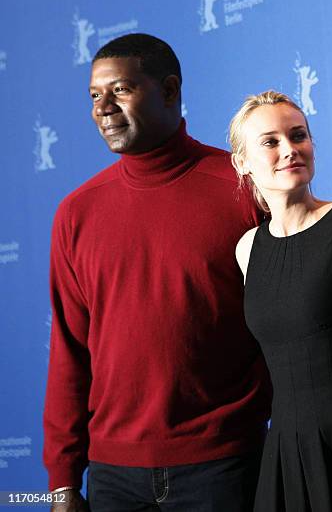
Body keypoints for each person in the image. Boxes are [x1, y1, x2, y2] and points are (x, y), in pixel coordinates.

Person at [43, 34, 271, 511]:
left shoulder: (244, 188)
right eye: (93, 96)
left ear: (169, 91)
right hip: (113, 477)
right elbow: (69, 350)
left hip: (226, 464)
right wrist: (63, 479)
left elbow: (294, 318)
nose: (103, 108)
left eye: (120, 90)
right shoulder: (76, 213)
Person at [229, 91, 332, 511]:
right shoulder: (248, 249)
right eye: (270, 141)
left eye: (299, 135)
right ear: (242, 161)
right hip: (285, 450)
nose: (290, 149)